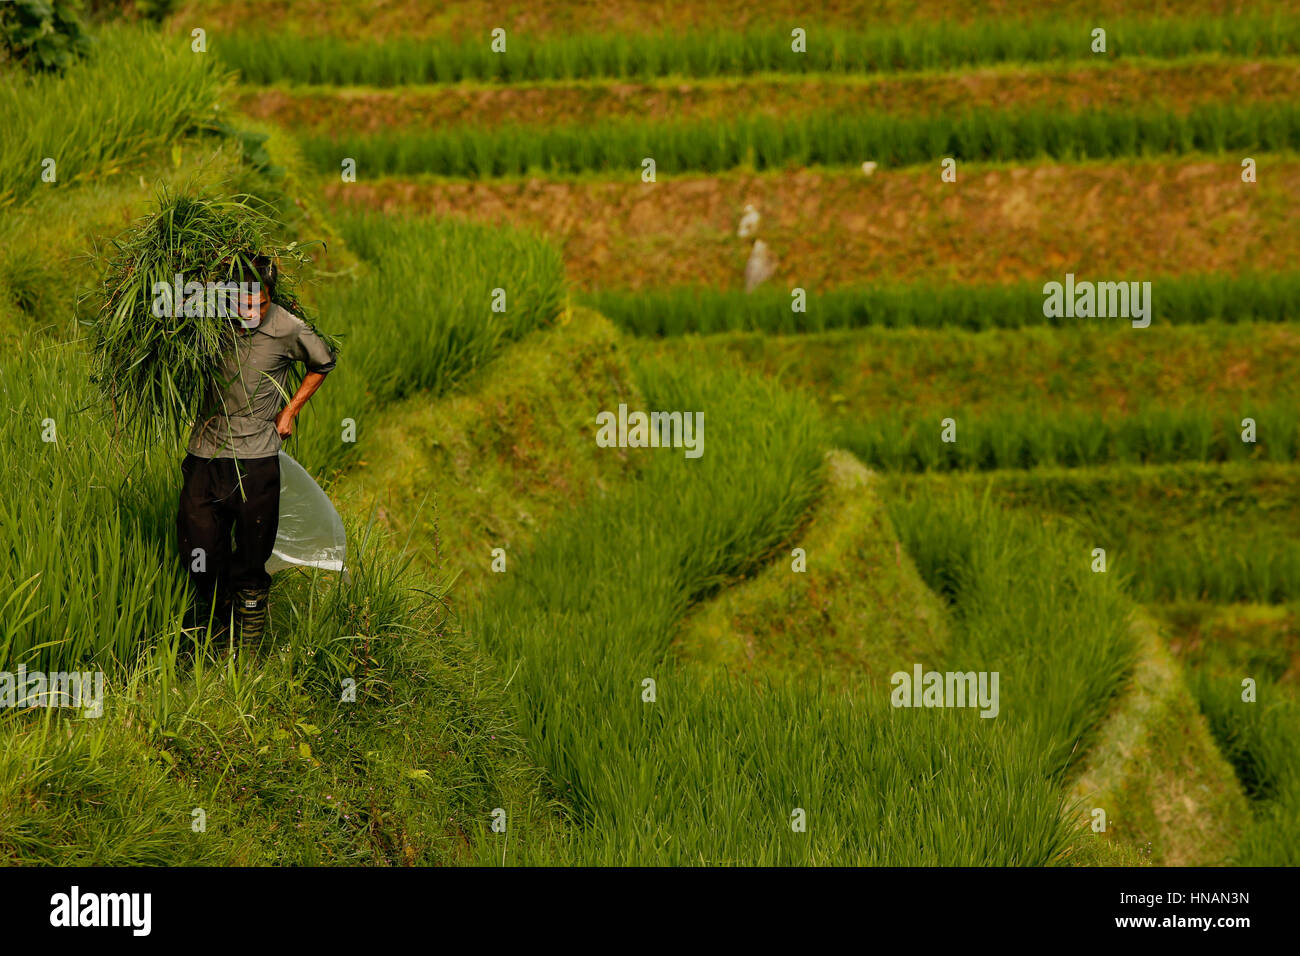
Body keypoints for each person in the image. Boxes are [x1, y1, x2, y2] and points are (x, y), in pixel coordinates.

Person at [176, 255, 335, 647]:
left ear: (270, 298)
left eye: (258, 303)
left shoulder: (288, 327)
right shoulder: (208, 320)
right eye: (240, 300)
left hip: (256, 457)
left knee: (252, 551)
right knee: (197, 545)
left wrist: (290, 411)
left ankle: (246, 647)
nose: (248, 310)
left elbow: (324, 362)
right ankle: (217, 618)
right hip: (206, 452)